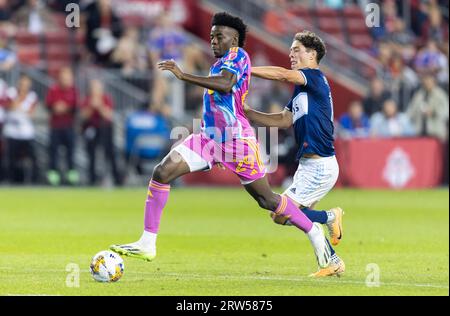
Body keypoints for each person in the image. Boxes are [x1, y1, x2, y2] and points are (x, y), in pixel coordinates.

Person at [110, 12, 332, 274]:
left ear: (234, 40)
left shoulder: (239, 57)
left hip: (237, 141)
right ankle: (147, 242)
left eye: (219, 36)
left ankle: (313, 230)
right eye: (212, 35)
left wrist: (184, 76)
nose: (213, 40)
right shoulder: (219, 63)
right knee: (162, 171)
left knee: (267, 200)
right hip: (208, 137)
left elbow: (226, 86)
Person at [244, 30, 345, 277]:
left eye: (296, 50)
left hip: (320, 165)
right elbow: (283, 119)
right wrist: (248, 112)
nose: (291, 53)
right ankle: (331, 259)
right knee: (283, 215)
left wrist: (245, 70)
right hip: (309, 166)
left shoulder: (314, 77)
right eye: (290, 50)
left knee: (280, 212)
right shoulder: (302, 91)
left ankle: (330, 218)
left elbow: (281, 75)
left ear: (312, 54)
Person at [80, 79, 122, 186]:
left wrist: (99, 106)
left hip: (105, 128)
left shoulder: (106, 99)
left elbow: (109, 115)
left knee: (110, 153)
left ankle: (117, 178)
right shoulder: (87, 100)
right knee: (91, 154)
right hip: (91, 128)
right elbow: (83, 117)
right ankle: (92, 179)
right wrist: (91, 107)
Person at [45, 66, 79, 186]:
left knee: (70, 153)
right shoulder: (53, 90)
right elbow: (48, 105)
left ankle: (71, 177)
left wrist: (65, 108)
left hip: (69, 126)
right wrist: (56, 107)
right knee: (54, 152)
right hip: (55, 126)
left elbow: (75, 108)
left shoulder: (74, 91)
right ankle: (53, 176)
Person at [2, 74, 39, 183]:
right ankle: (11, 180)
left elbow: (31, 112)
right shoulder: (12, 92)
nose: (24, 86)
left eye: (26, 84)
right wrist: (19, 99)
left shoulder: (32, 95)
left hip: (26, 132)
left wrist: (19, 106)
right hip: (12, 131)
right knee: (11, 158)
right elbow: (10, 106)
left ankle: (34, 180)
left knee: (32, 158)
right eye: (22, 83)